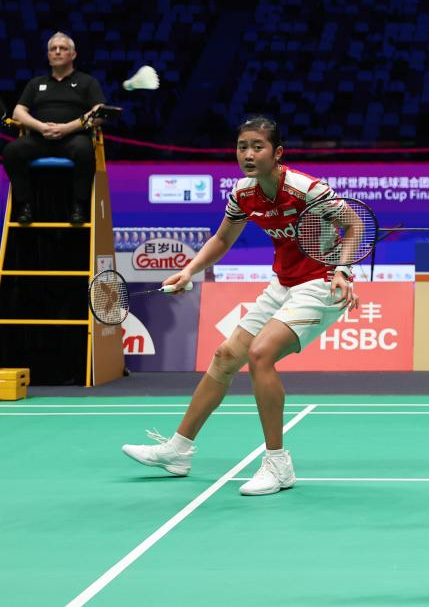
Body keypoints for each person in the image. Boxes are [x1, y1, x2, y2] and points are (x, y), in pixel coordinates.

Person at [122, 116, 359, 496]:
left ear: (277, 153)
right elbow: (222, 239)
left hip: (321, 283)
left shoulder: (305, 188)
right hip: (284, 283)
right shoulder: (244, 193)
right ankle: (178, 450)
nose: (248, 155)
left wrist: (343, 270)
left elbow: (355, 225)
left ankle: (278, 464)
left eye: (257, 147)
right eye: (242, 147)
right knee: (226, 356)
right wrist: (189, 271)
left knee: (260, 354)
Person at [3, 32, 106, 224]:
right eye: (53, 49)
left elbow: (99, 112)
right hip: (39, 139)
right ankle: (25, 205)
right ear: (48, 55)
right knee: (11, 151)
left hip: (73, 138)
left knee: (85, 150)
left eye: (63, 48)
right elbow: (18, 112)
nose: (57, 52)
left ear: (73, 54)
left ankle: (79, 206)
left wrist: (67, 128)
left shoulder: (87, 82)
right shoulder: (36, 83)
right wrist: (41, 127)